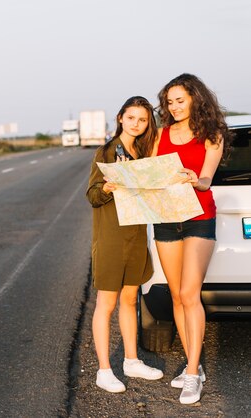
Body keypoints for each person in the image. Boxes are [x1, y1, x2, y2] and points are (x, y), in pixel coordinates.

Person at [152, 73, 230, 404]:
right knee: (175, 295)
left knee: (189, 293)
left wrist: (195, 179)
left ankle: (194, 372)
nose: (174, 106)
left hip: (199, 216)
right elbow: (151, 172)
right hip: (167, 219)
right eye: (169, 101)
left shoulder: (211, 134)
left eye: (180, 100)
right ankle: (192, 366)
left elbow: (207, 178)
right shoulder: (160, 134)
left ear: (196, 98)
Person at [86, 96, 163, 393]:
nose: (137, 124)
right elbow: (92, 195)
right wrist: (106, 186)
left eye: (143, 120)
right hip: (111, 237)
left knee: (130, 300)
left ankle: (132, 360)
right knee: (106, 304)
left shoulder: (143, 154)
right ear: (120, 118)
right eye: (131, 118)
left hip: (135, 236)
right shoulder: (106, 152)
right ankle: (104, 370)